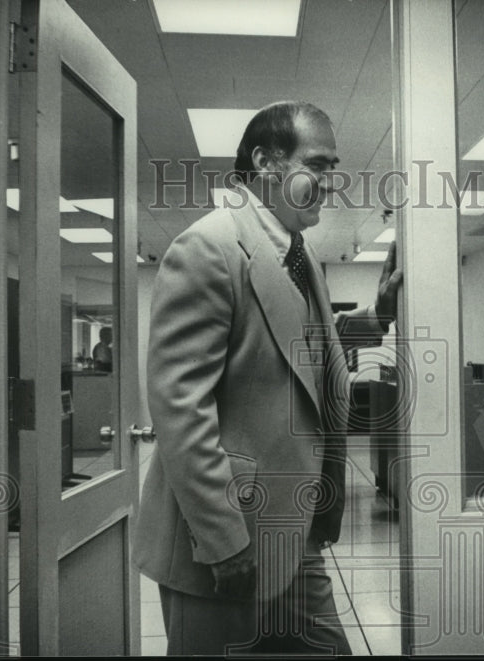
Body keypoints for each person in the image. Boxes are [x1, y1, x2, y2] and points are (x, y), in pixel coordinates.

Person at [135, 101, 402, 655]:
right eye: (319, 165)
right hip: (226, 537)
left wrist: (376, 317)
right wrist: (223, 540)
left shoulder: (295, 251)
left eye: (333, 167)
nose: (331, 182)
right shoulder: (208, 248)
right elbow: (180, 408)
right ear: (266, 162)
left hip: (294, 530)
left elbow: (294, 348)